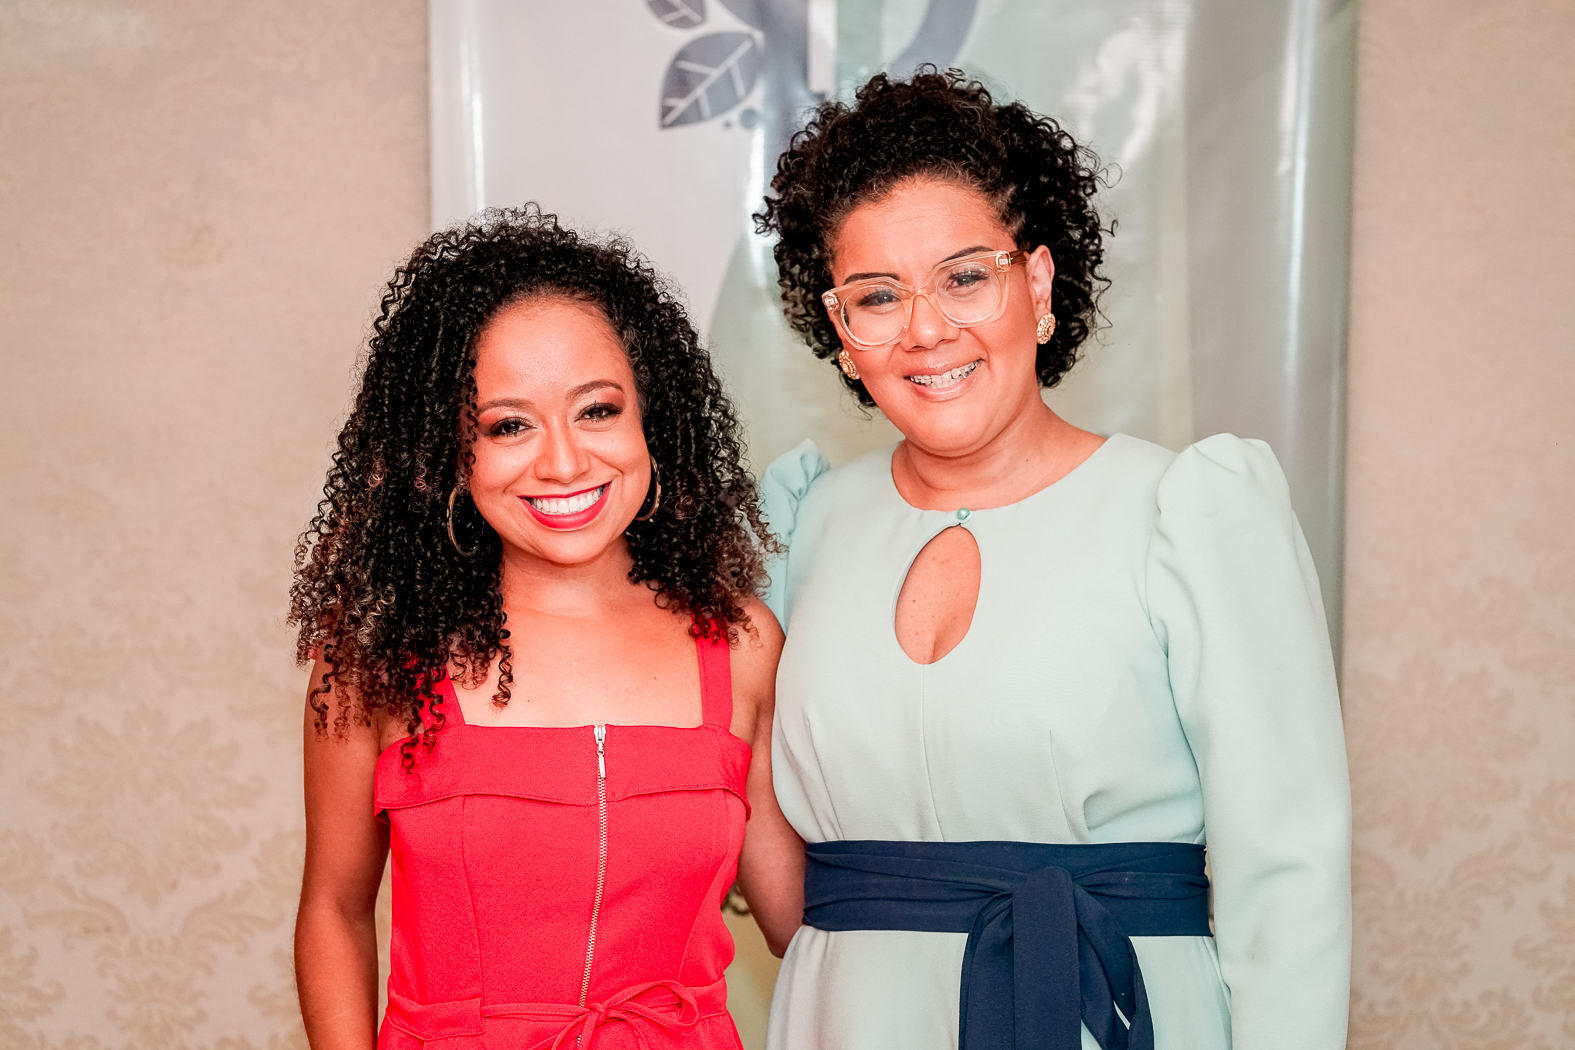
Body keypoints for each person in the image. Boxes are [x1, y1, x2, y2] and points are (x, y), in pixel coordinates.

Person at [754, 70, 1351, 1050]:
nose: (926, 329)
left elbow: (1290, 876)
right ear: (841, 331)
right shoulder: (805, 520)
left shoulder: (1188, 513)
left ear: (1036, 282)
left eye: (964, 276)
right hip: (846, 1022)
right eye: (878, 296)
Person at [289, 206, 803, 1050]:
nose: (563, 462)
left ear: (653, 419)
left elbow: (805, 926)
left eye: (597, 410)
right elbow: (334, 911)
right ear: (447, 453)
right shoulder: (373, 659)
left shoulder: (741, 641)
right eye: (508, 425)